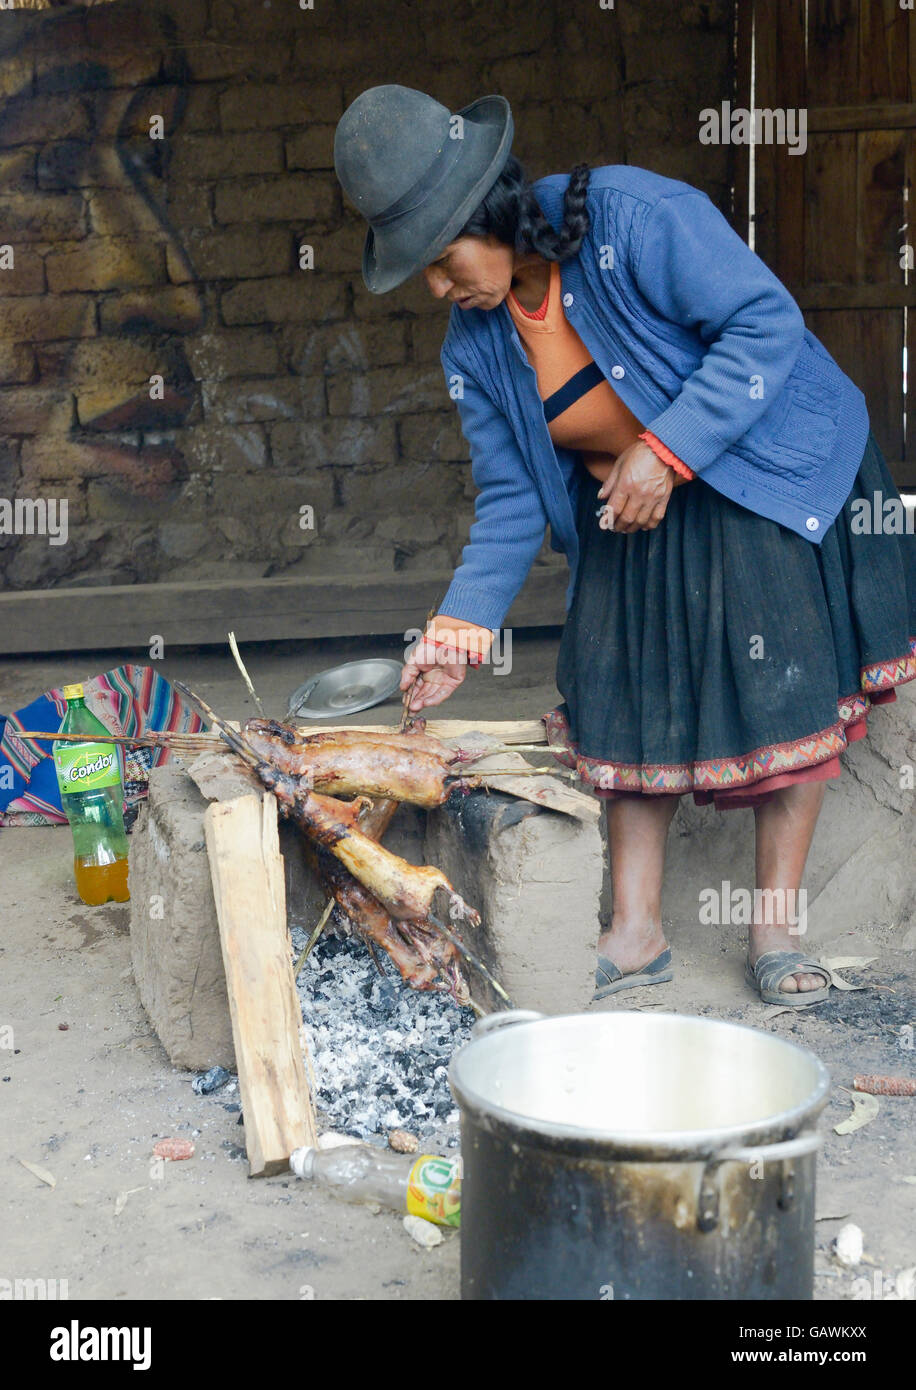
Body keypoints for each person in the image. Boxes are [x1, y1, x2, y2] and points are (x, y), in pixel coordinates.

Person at [334, 85, 916, 1007]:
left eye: (442, 263)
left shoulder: (636, 219)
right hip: (632, 499)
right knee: (613, 687)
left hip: (758, 466)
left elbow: (764, 327)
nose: (440, 290)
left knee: (780, 682)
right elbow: (514, 496)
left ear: (490, 215)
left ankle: (774, 930)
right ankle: (636, 932)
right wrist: (458, 627)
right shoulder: (475, 342)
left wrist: (668, 448)